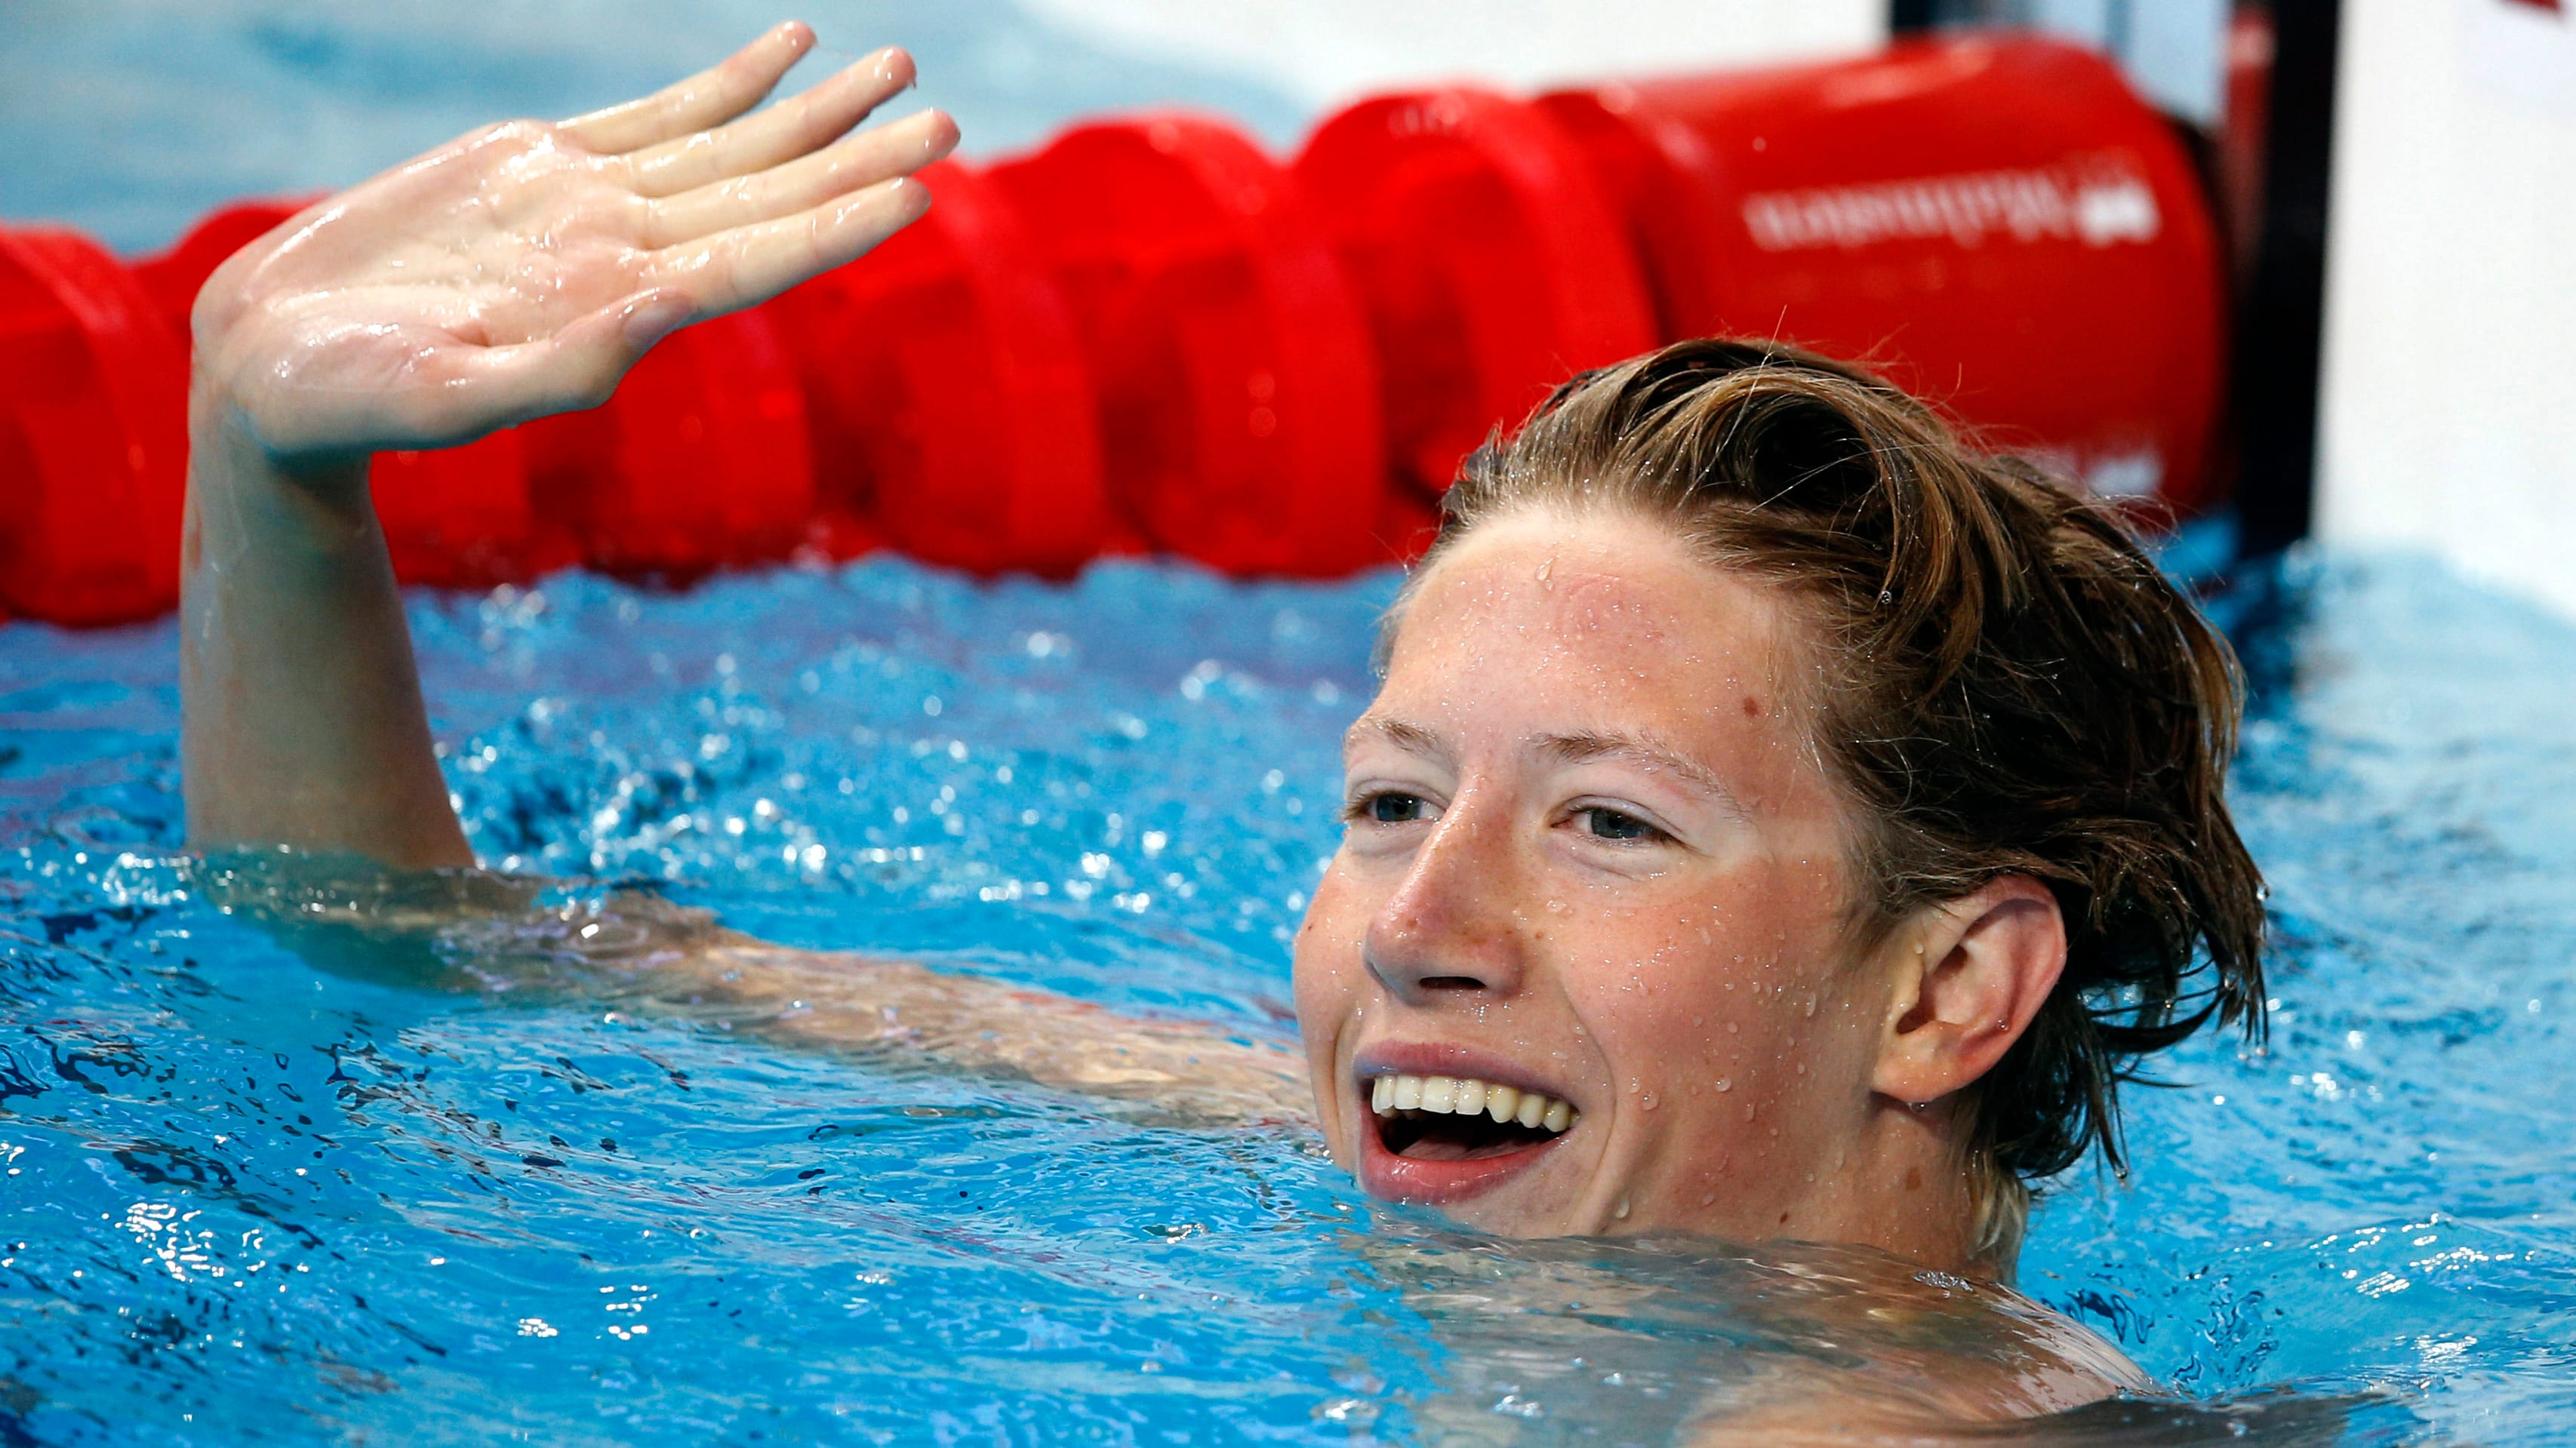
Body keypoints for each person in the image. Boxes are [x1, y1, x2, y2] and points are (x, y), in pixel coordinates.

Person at [180, 23, 2267, 1434]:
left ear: (1947, 991)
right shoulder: (1392, 1144)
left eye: (1611, 826)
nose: (1420, 929)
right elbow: (402, 939)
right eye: (1393, 799)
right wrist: (271, 474)